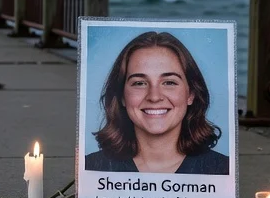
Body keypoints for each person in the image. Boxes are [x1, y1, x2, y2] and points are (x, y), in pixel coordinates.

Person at [84, 31, 229, 175]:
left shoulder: (222, 170)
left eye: (169, 82)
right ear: (122, 96)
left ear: (191, 94)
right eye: (139, 83)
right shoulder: (91, 167)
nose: (154, 96)